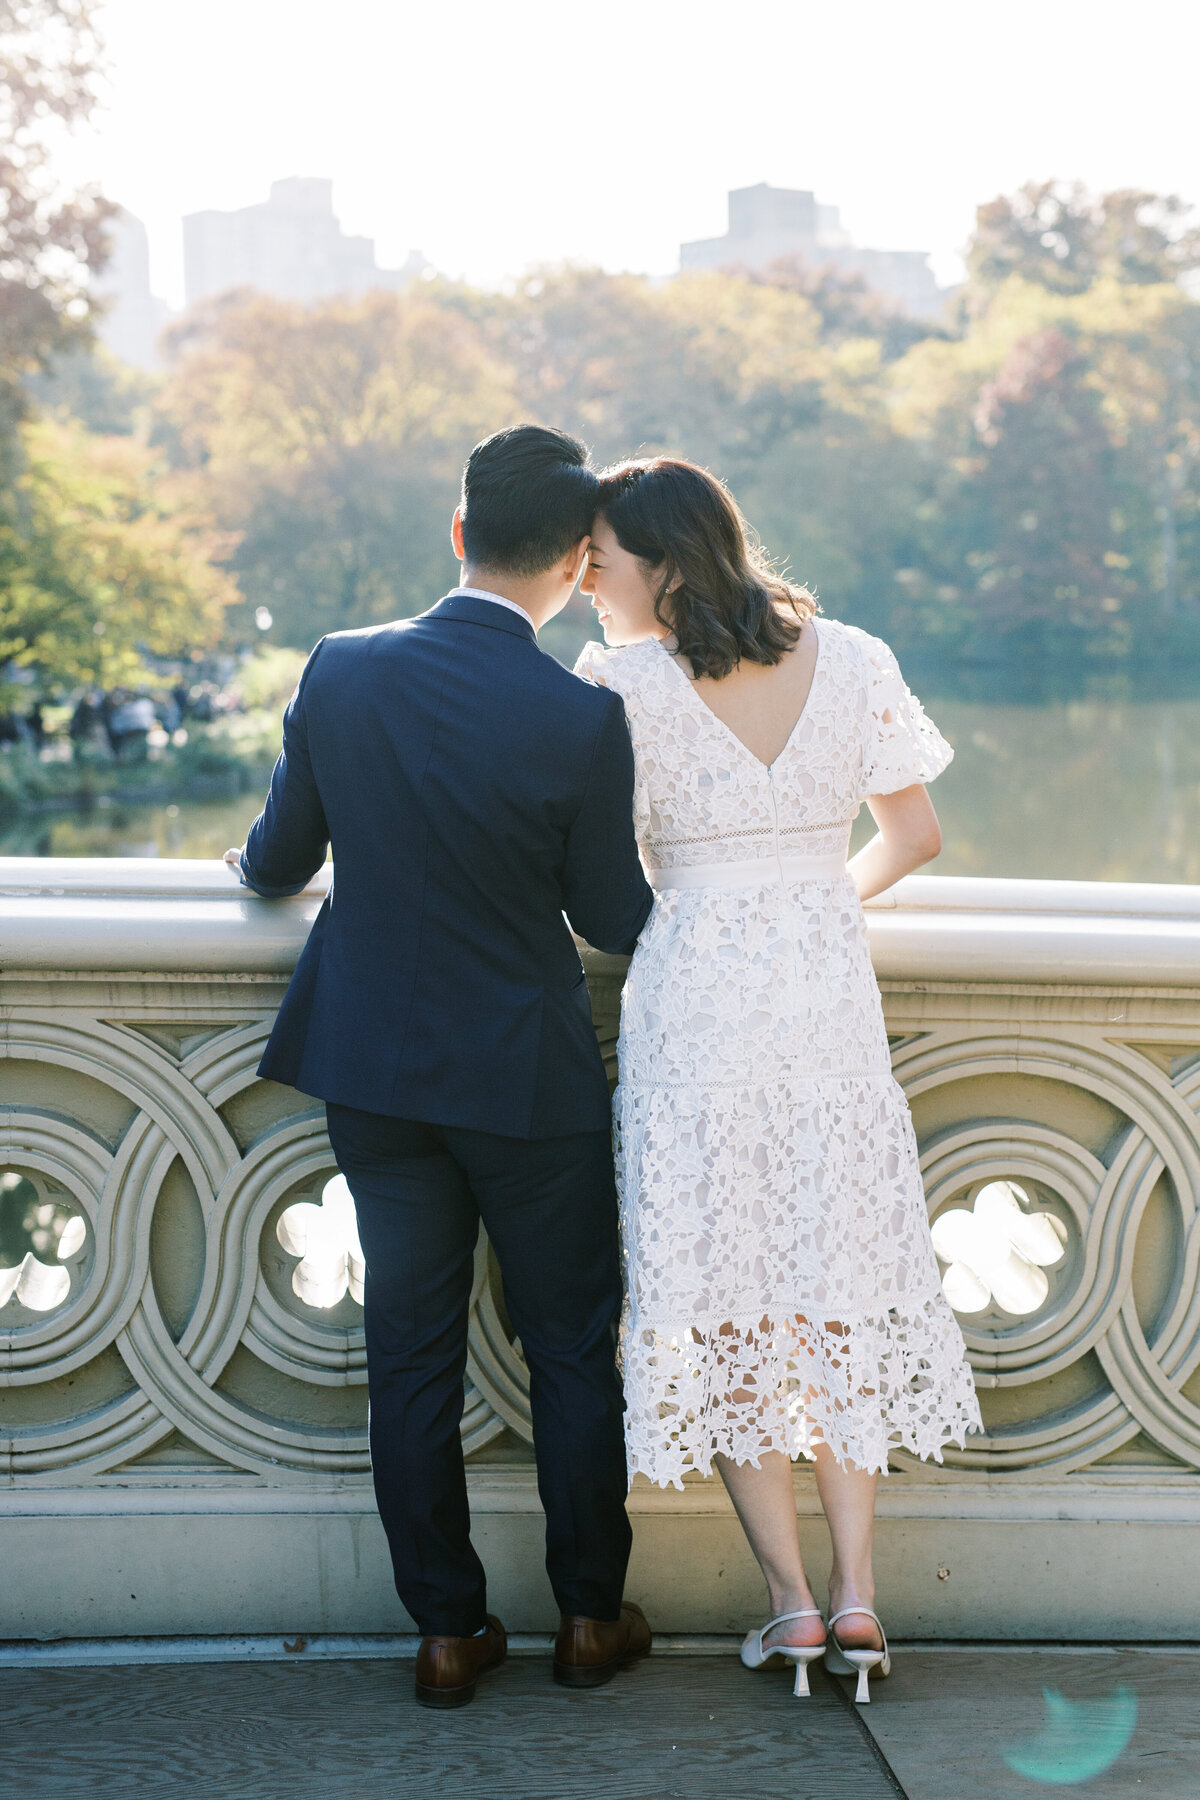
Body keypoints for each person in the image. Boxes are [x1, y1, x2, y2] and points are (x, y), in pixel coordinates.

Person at [225, 424, 655, 1709]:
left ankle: (449, 1634)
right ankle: (589, 1616)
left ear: (457, 533)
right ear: (581, 567)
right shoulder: (582, 717)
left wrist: (244, 874)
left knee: (411, 1350)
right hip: (527, 1081)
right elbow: (613, 923)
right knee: (571, 1348)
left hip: (378, 1070)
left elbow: (276, 863)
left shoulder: (341, 669)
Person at [576, 457, 981, 1704]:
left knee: (732, 1286)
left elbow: (602, 880)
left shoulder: (623, 684)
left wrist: (723, 909)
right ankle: (860, 1598)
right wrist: (815, 903)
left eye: (605, 558)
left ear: (669, 563)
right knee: (837, 1282)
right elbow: (913, 835)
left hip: (693, 1005)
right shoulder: (854, 657)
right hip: (824, 1007)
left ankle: (792, 1610)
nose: (590, 580)